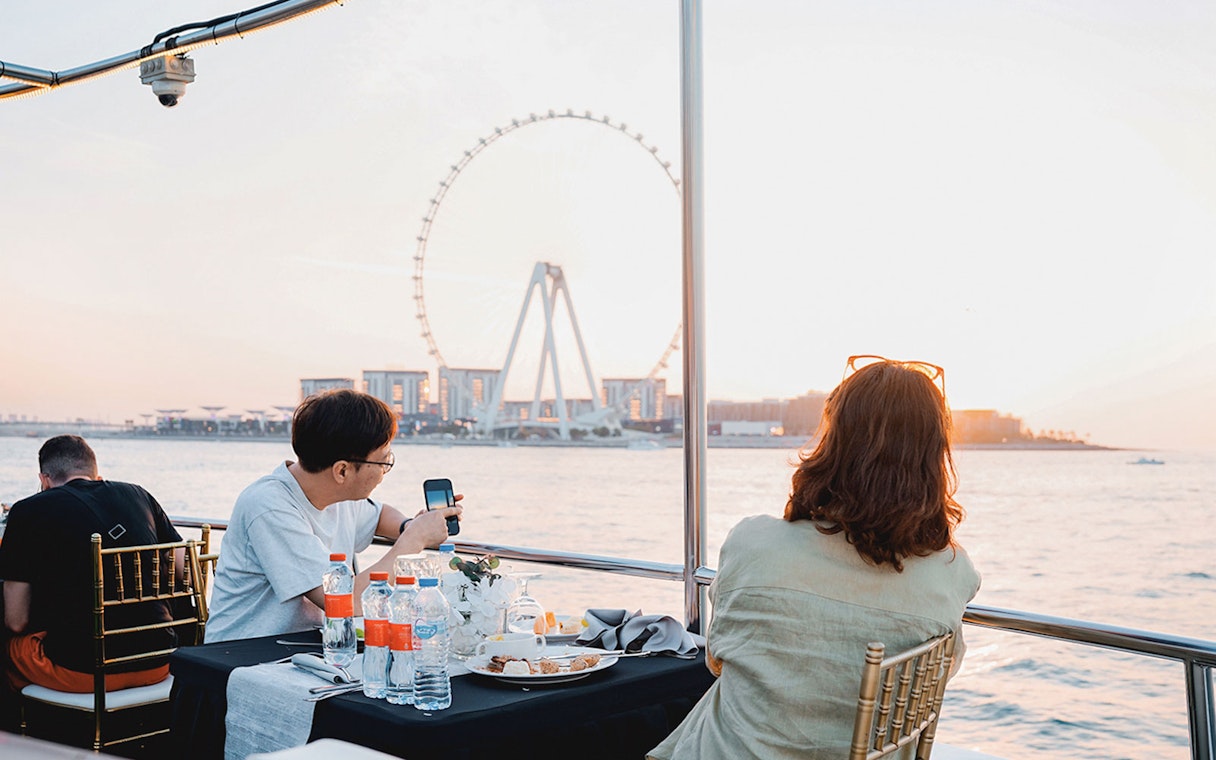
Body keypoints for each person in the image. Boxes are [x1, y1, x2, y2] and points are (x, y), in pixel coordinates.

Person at [649, 356, 982, 760]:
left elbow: (717, 660)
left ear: (832, 442)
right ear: (932, 460)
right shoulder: (950, 572)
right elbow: (936, 679)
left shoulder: (752, 544)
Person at [205, 389, 462, 642]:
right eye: (384, 463)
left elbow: (379, 514)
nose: (385, 471)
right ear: (342, 471)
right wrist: (413, 542)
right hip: (243, 657)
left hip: (306, 648)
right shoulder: (269, 506)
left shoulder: (338, 494)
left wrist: (410, 526)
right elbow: (342, 602)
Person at [0, 435, 182, 695]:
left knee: (11, 646)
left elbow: (16, 621)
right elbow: (182, 568)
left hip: (84, 673)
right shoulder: (139, 494)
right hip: (160, 661)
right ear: (96, 476)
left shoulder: (27, 510)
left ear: (44, 479)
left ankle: (33, 732)